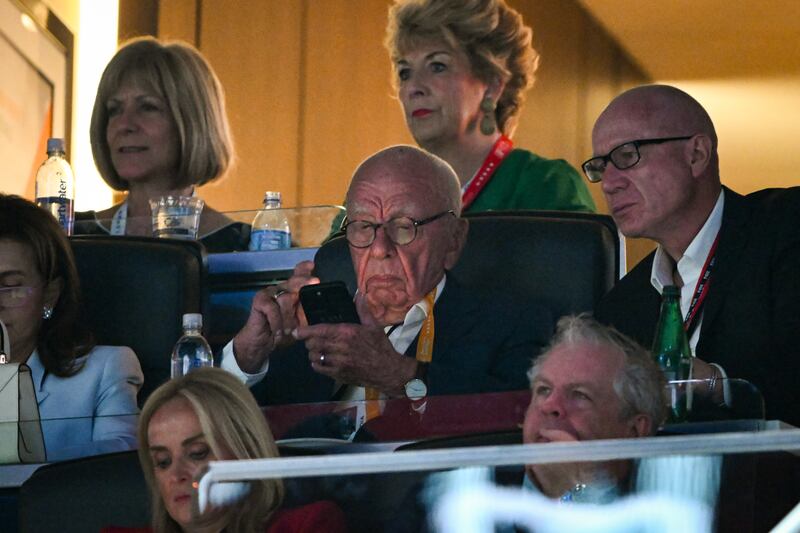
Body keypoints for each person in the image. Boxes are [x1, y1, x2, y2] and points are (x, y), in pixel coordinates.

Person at [222, 145, 552, 406]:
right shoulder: (307, 327)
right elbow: (219, 432)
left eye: (404, 227)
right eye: (364, 227)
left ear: (453, 240)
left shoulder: (511, 324)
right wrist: (248, 357)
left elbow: (510, 420)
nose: (380, 248)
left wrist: (397, 376)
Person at [585, 84, 800, 426]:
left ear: (696, 154)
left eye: (627, 156)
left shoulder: (786, 228)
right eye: (599, 166)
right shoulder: (620, 308)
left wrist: (717, 385)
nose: (609, 183)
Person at [384, 0, 595, 213]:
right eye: (405, 73)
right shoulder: (386, 196)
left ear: (492, 85)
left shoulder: (545, 187)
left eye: (438, 66)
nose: (413, 87)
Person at [110, 367, 346, 533]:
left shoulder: (305, 526)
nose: (176, 475)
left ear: (246, 450)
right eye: (162, 461)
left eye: (198, 453)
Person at [0, 193, 142, 461]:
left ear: (50, 294)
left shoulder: (104, 370)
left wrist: (21, 463)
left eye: (10, 286)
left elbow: (122, 457)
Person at [77, 36, 248, 253]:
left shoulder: (245, 246)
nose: (124, 124)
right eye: (114, 110)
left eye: (148, 107)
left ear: (191, 122)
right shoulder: (72, 235)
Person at [522, 314, 666, 503]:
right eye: (544, 390)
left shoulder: (669, 506)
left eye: (580, 395)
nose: (550, 405)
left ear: (635, 431)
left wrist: (582, 487)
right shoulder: (484, 488)